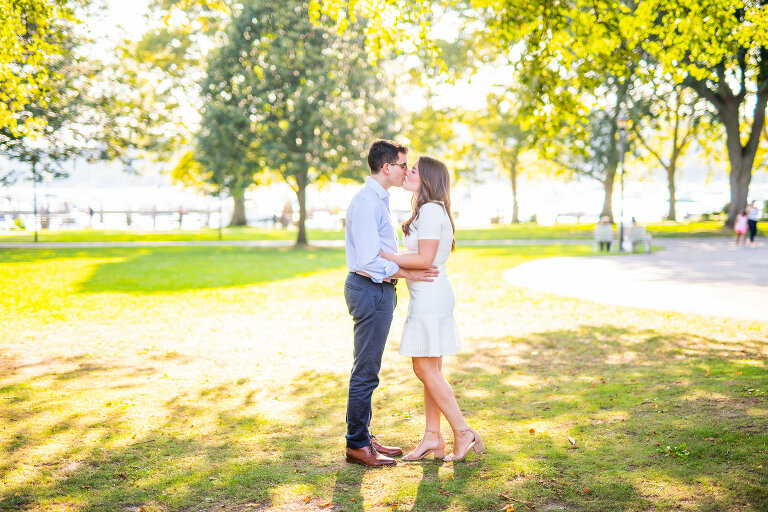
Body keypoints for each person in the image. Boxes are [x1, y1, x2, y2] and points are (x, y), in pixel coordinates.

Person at [379, 156, 484, 462]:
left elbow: (425, 259)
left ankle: (463, 432)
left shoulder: (428, 210)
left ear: (426, 180)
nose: (407, 172)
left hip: (430, 295)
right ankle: (432, 439)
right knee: (431, 371)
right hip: (431, 293)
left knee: (423, 369)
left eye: (413, 170)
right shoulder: (430, 210)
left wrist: (385, 255)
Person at [343, 140, 439, 468]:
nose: (406, 171)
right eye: (403, 165)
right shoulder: (369, 203)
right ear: (387, 167)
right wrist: (405, 270)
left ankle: (363, 436)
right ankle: (356, 444)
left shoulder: (377, 200)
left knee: (369, 368)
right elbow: (369, 260)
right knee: (366, 370)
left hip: (378, 290)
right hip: (370, 288)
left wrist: (400, 272)